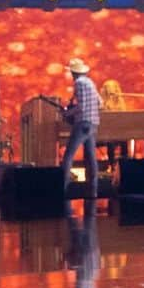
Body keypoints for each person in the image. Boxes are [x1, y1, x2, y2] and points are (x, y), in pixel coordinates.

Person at [60, 57, 100, 198]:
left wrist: (67, 113)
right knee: (91, 157)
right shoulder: (90, 83)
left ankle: (63, 190)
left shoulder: (79, 83)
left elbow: (81, 107)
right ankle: (93, 191)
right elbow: (100, 102)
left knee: (68, 156)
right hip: (93, 123)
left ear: (73, 72)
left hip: (83, 123)